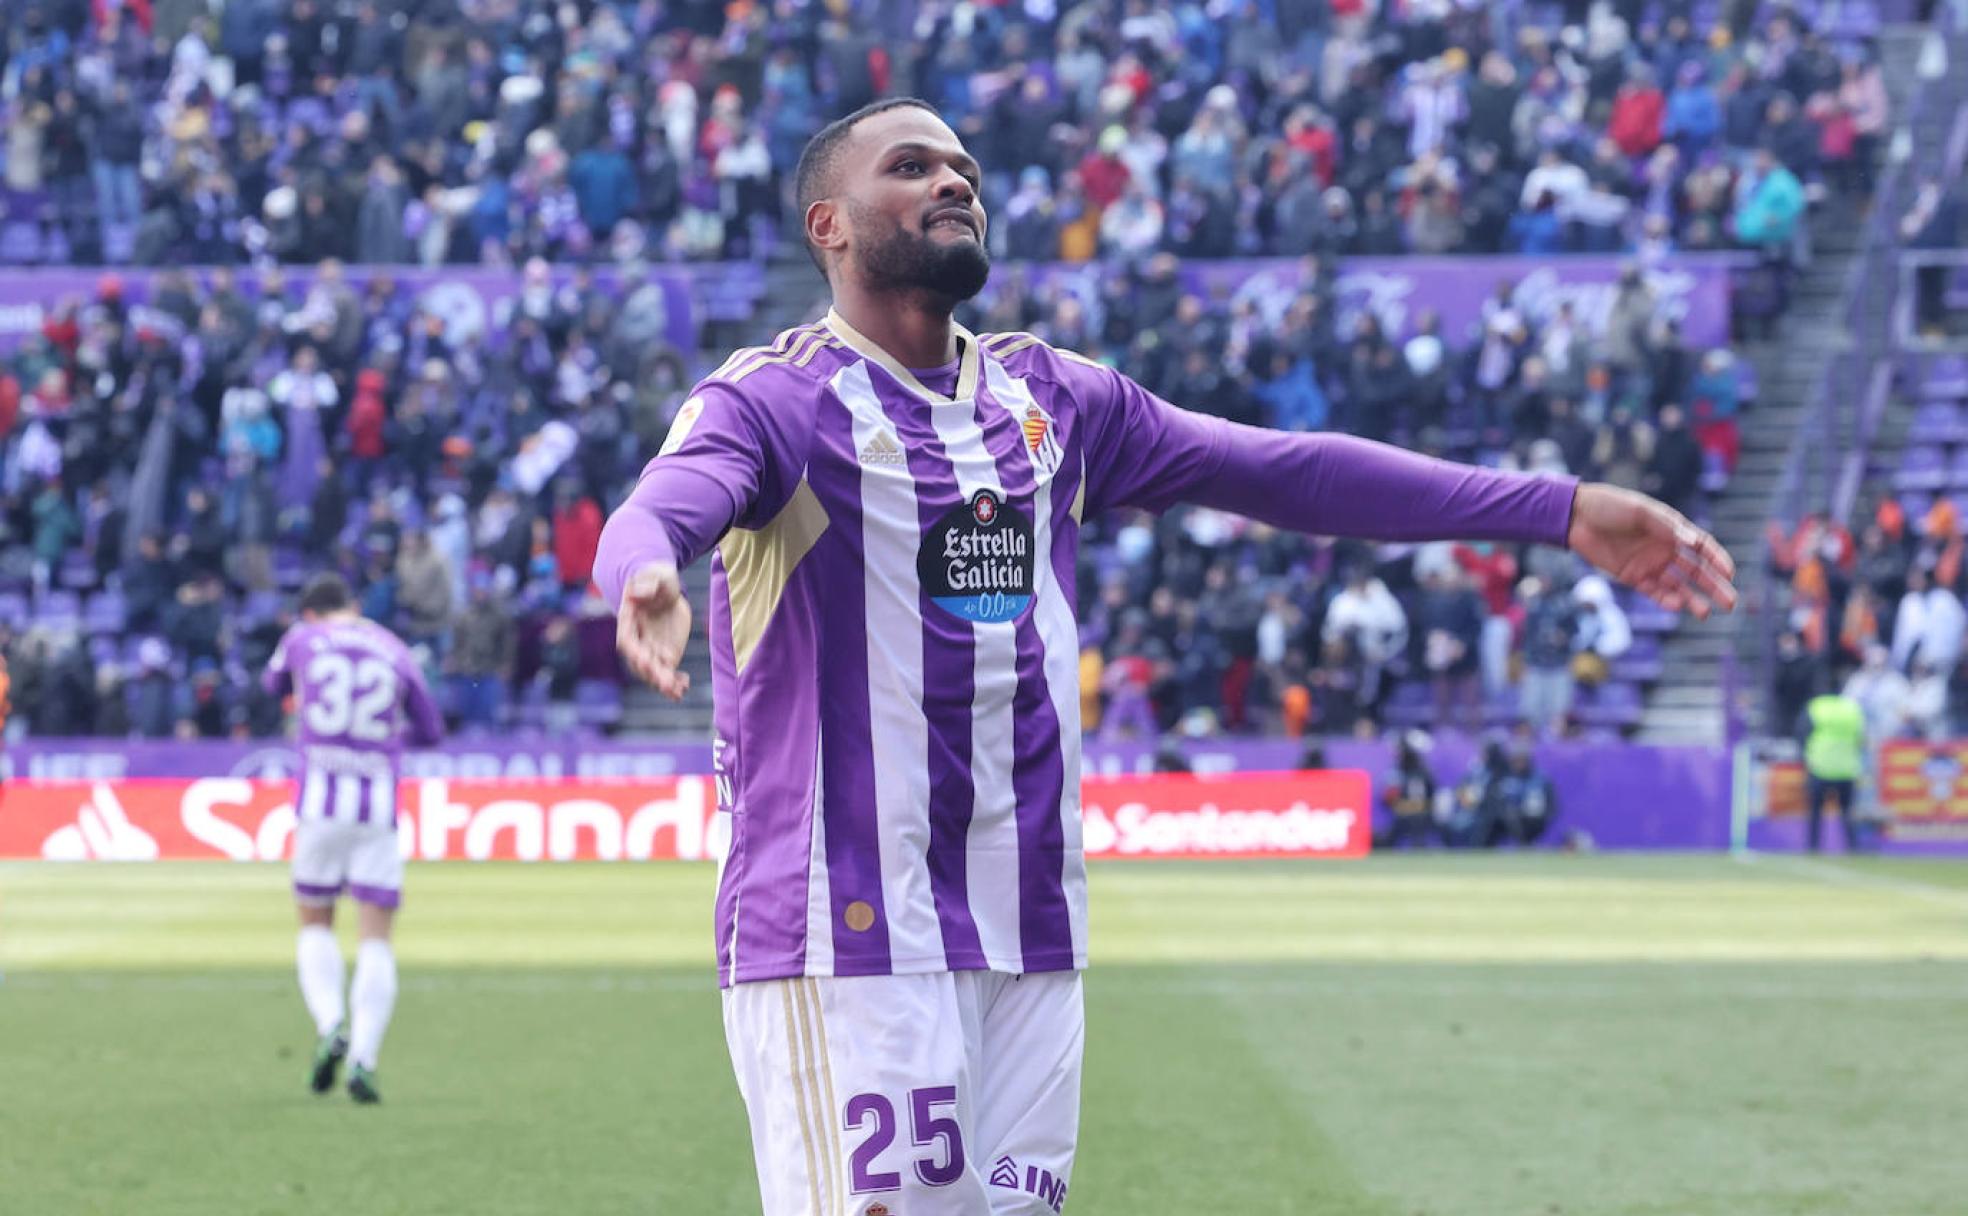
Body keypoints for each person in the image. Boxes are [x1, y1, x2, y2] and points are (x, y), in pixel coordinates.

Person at [594, 99, 1736, 1214]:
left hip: (1031, 919)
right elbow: (663, 508)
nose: (952, 182)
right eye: (909, 167)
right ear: (828, 225)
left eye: (964, 172)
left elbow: (1286, 470)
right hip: (849, 928)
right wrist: (642, 574)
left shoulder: (1052, 400)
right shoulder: (777, 400)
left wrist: (1560, 508)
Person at [263, 573, 444, 1105]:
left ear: (312, 613)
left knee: (314, 919)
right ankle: (364, 1056)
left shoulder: (301, 639)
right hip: (378, 807)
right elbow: (431, 730)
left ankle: (330, 1023)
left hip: (320, 802)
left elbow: (270, 687)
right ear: (354, 606)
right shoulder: (395, 649)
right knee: (375, 937)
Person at [1798, 680, 1868, 854]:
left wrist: (1806, 756)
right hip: (1847, 768)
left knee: (1815, 812)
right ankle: (1852, 847)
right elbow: (1861, 737)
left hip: (1820, 767)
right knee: (1847, 812)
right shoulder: (1852, 708)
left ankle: (1813, 847)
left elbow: (1801, 733)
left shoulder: (1816, 707)